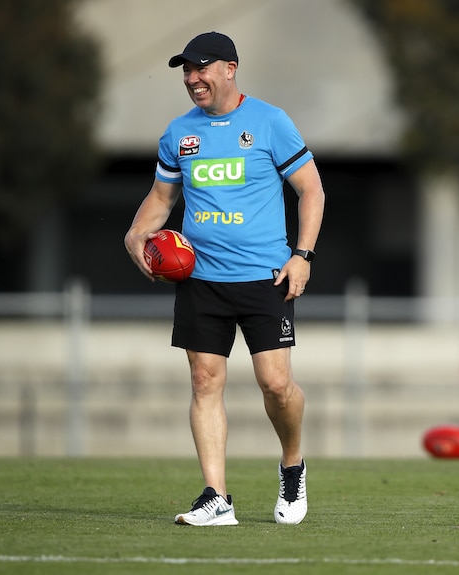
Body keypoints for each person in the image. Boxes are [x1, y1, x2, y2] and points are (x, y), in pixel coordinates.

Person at [124, 31, 325, 526]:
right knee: (203, 380)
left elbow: (312, 190)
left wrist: (302, 256)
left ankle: (293, 465)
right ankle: (216, 497)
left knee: (276, 385)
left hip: (265, 276)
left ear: (230, 68)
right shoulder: (178, 134)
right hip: (201, 278)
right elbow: (163, 198)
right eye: (186, 71)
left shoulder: (270, 121)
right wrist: (136, 233)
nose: (193, 78)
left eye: (202, 67)